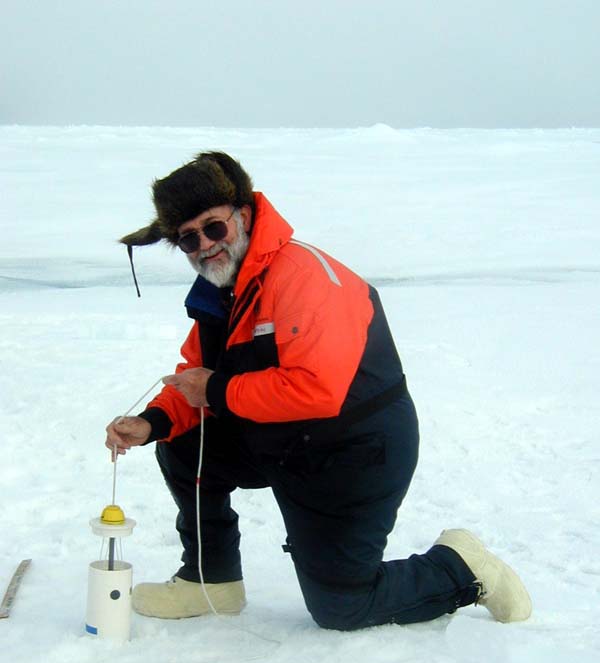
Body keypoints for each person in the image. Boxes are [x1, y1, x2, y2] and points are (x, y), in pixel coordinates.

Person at [105, 151, 532, 631]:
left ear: (242, 216)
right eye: (188, 239)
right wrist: (151, 423)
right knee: (183, 443)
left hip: (354, 451)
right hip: (285, 442)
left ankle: (462, 566)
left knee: (342, 607)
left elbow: (318, 391)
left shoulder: (305, 277)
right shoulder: (219, 293)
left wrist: (217, 390)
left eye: (213, 228)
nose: (204, 245)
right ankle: (212, 579)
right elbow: (194, 377)